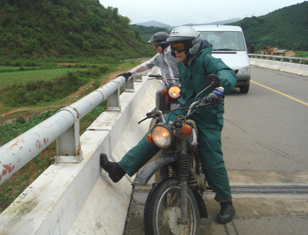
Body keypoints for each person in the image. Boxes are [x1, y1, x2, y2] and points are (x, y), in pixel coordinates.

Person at [100, 26, 237, 224]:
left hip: (207, 114)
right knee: (158, 133)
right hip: (184, 108)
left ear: (193, 45)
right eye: (173, 47)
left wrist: (221, 88)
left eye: (180, 46)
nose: (176, 51)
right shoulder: (183, 62)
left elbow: (226, 72)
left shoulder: (206, 59)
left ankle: (226, 202)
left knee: (211, 156)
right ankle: (119, 169)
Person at [117, 32, 179, 111]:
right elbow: (146, 65)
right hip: (167, 83)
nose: (154, 47)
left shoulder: (176, 53)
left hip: (182, 83)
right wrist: (130, 73)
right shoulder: (159, 57)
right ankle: (159, 112)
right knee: (160, 93)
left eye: (156, 45)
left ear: (162, 44)